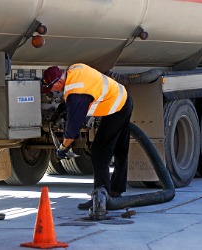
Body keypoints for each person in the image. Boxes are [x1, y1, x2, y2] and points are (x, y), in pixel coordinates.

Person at [41, 63, 133, 210]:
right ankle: (115, 192)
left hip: (117, 107)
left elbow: (72, 129)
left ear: (59, 82)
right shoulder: (74, 69)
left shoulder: (75, 92)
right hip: (121, 97)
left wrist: (63, 148)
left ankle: (101, 196)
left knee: (99, 151)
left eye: (51, 89)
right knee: (120, 148)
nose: (50, 92)